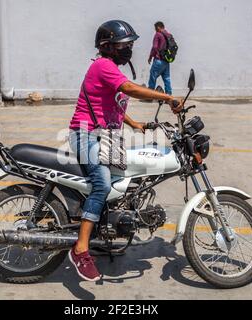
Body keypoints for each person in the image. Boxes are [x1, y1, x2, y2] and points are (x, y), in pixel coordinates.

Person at [68, 20, 183, 282]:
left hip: (106, 136)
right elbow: (128, 89)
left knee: (125, 180)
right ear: (108, 46)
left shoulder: (109, 67)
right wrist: (167, 97)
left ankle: (103, 232)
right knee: (103, 184)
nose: (129, 49)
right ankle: (81, 249)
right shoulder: (103, 66)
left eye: (130, 45)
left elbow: (111, 103)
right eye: (124, 45)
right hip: (85, 134)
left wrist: (134, 124)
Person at [148, 21, 172, 96]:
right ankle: (168, 95)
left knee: (153, 77)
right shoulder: (168, 35)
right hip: (166, 61)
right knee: (167, 78)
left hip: (158, 60)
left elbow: (155, 47)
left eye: (155, 28)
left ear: (158, 27)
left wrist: (150, 56)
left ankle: (149, 96)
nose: (155, 29)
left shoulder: (158, 34)